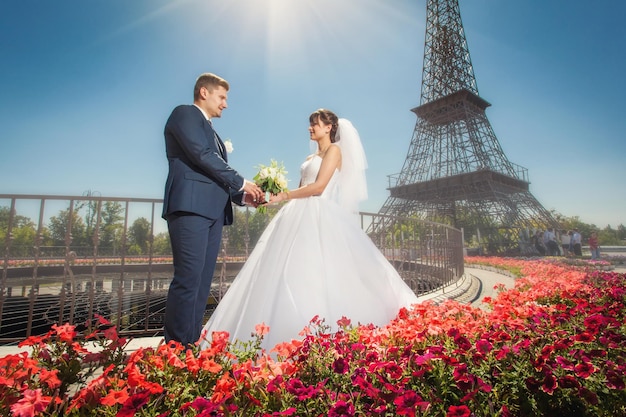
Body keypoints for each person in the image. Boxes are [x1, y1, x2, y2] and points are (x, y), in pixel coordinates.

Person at [199, 109, 419, 352]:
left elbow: (319, 187)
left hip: (318, 213)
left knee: (317, 269)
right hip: (296, 214)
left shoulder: (335, 151)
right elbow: (302, 187)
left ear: (329, 127)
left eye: (315, 123)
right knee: (288, 270)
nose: (310, 128)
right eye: (310, 123)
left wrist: (282, 195)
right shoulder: (309, 155)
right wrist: (273, 194)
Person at [162, 73, 265, 346]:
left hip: (212, 213)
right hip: (190, 208)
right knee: (188, 279)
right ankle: (175, 348)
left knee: (202, 283)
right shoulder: (184, 114)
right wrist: (243, 181)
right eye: (222, 97)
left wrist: (243, 197)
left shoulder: (214, 134)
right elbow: (201, 155)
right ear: (204, 92)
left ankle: (191, 342)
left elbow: (213, 173)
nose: (226, 104)